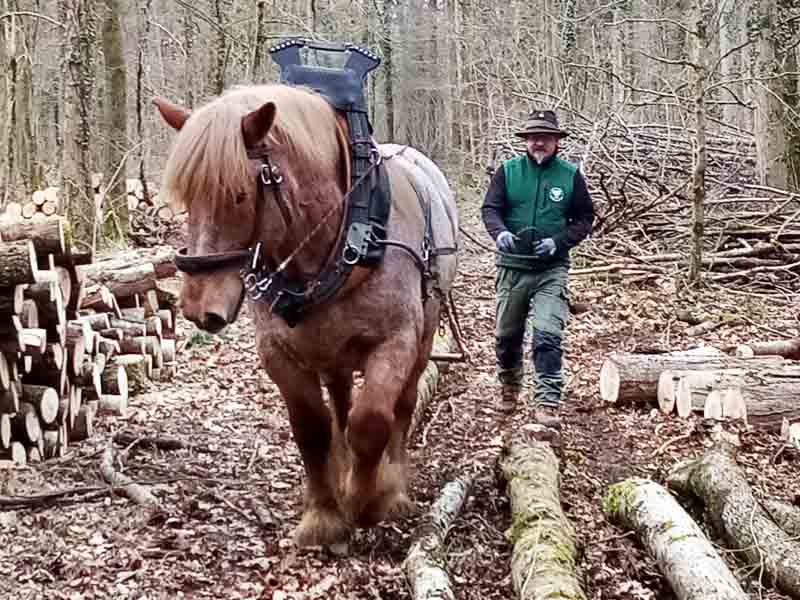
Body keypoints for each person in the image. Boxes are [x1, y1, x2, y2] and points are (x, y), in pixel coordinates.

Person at [481, 109, 594, 428]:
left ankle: (547, 401)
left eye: (545, 137)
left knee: (547, 335)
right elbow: (490, 208)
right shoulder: (508, 171)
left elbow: (584, 219)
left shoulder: (570, 176)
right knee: (506, 336)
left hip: (550, 269)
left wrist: (559, 242)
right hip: (512, 268)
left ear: (557, 141)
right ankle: (509, 386)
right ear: (525, 141)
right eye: (533, 137)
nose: (539, 142)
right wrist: (499, 232)